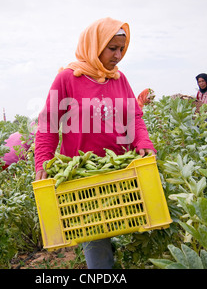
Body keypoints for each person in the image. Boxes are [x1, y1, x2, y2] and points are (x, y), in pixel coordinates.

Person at [34, 17, 156, 269]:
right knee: (97, 240)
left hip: (119, 171)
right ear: (95, 44)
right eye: (112, 48)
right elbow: (49, 123)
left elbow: (133, 116)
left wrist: (143, 141)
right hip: (84, 175)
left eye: (122, 49)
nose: (118, 55)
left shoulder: (118, 79)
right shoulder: (67, 78)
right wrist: (43, 159)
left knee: (132, 223)